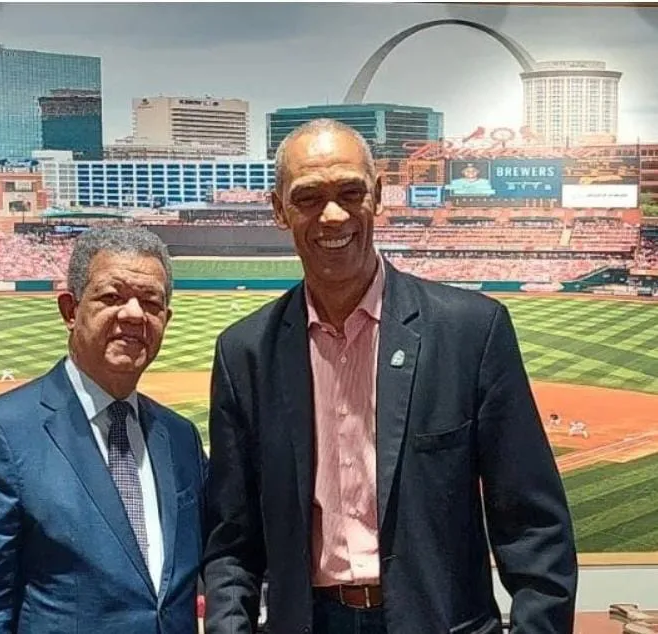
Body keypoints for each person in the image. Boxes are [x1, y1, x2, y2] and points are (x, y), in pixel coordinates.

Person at [203, 119, 577, 634]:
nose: (332, 215)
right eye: (308, 197)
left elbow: (534, 527)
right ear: (279, 209)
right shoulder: (244, 353)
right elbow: (231, 541)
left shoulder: (470, 331)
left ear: (378, 196)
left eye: (350, 192)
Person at [0, 226, 207, 634]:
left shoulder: (179, 437)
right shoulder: (0, 434)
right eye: (112, 297)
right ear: (70, 309)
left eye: (150, 302)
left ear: (165, 320)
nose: (134, 314)